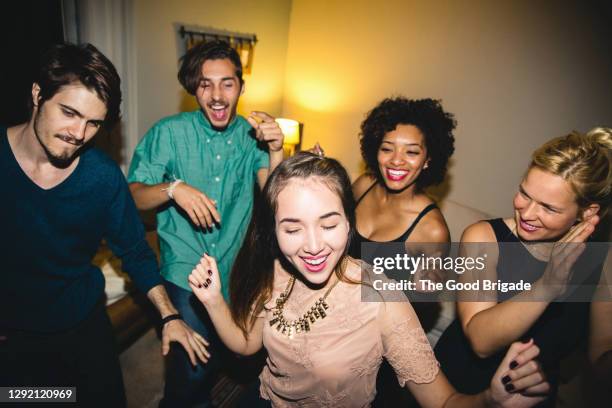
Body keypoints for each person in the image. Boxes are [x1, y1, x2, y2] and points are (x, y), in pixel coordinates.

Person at [187, 152, 550, 407]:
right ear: (274, 233)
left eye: (328, 225)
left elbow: (445, 400)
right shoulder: (278, 267)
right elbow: (248, 344)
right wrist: (214, 300)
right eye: (293, 228)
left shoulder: (381, 298)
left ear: (349, 221)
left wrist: (491, 400)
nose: (313, 246)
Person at [0, 43, 208, 407]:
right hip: (16, 339)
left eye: (93, 122)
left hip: (84, 327)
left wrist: (170, 315)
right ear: (37, 94)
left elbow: (135, 251)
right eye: (69, 112)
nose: (79, 133)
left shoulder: (103, 177)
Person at [127, 40, 284, 406]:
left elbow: (278, 200)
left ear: (241, 88)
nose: (216, 95)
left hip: (237, 266)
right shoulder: (168, 132)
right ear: (193, 89)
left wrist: (278, 149)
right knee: (192, 371)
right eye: (204, 84)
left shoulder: (252, 138)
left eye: (227, 83)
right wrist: (173, 188)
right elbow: (133, 195)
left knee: (242, 356)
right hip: (186, 269)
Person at [434, 128, 612, 406]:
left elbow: (601, 360)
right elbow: (480, 341)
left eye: (548, 208)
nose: (527, 213)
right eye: (524, 194)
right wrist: (549, 284)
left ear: (587, 212)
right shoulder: (483, 236)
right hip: (460, 390)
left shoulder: (603, 263)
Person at [348, 97, 456, 406]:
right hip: (330, 318)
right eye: (387, 148)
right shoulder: (364, 184)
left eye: (411, 151)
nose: (397, 161)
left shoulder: (431, 229)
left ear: (428, 159)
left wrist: (427, 288)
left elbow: (420, 304)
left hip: (373, 350)